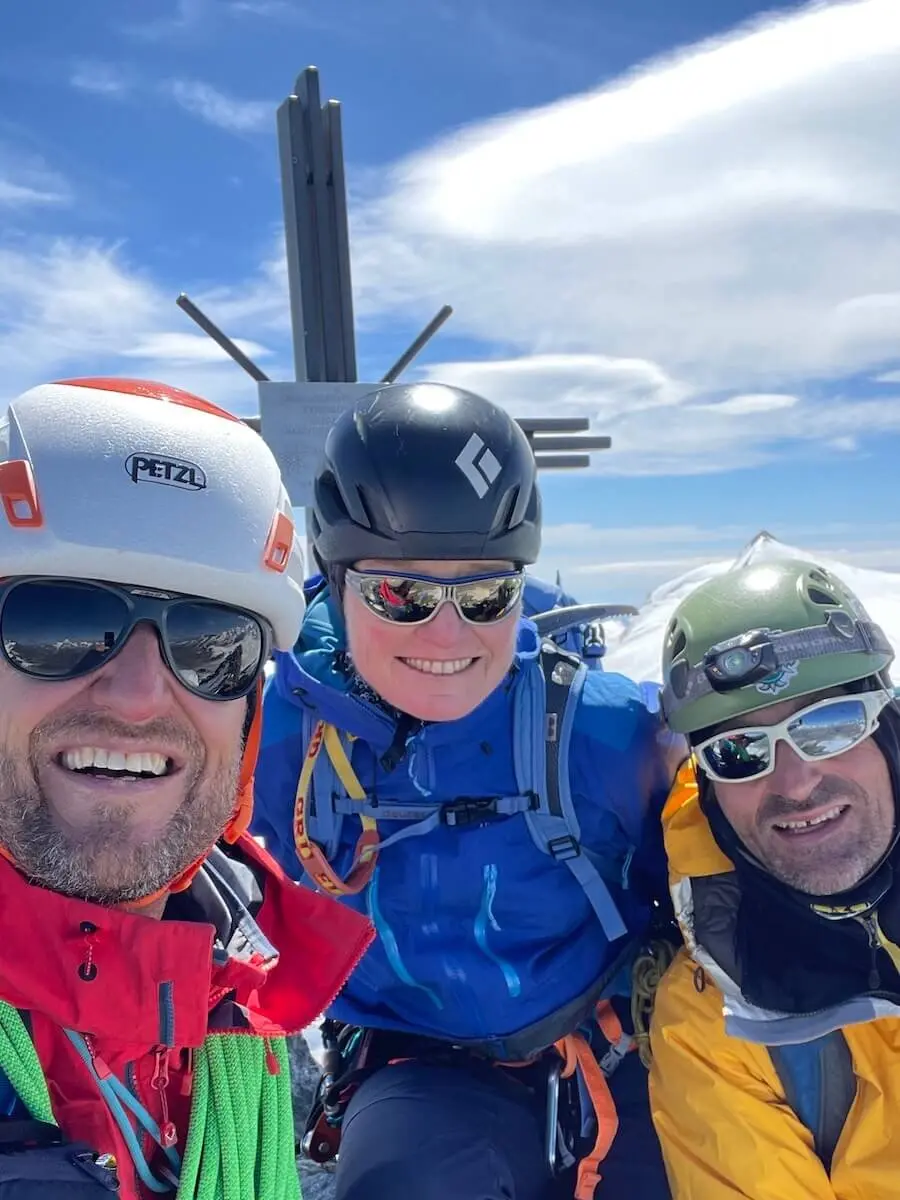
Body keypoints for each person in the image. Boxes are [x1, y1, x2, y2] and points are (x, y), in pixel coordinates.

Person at [252, 381, 678, 1200]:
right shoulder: (273, 733)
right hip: (419, 1065)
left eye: (486, 595)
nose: (447, 636)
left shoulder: (602, 731)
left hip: (616, 1043)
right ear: (334, 582)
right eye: (400, 595)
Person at [0, 377, 372, 1199]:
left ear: (248, 715)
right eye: (54, 624)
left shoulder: (239, 987)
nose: (137, 694)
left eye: (211, 646)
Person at [649, 556, 900, 1198]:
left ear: (889, 730)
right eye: (738, 753)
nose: (794, 784)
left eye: (829, 725)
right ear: (708, 792)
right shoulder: (718, 1027)